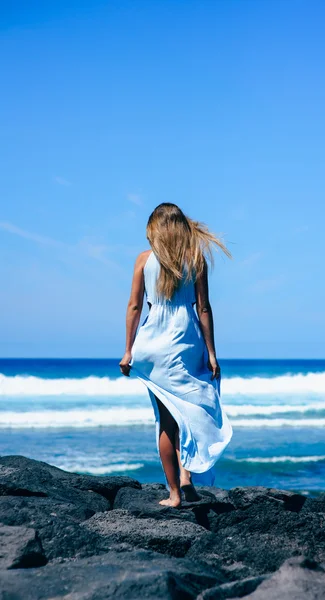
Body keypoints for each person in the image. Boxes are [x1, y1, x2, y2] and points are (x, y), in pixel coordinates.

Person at [119, 203, 233, 507]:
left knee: (166, 419)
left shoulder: (144, 260)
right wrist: (211, 353)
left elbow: (134, 307)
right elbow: (204, 308)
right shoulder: (195, 260)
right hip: (187, 341)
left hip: (153, 344)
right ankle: (186, 480)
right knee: (188, 413)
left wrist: (128, 350)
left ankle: (174, 492)